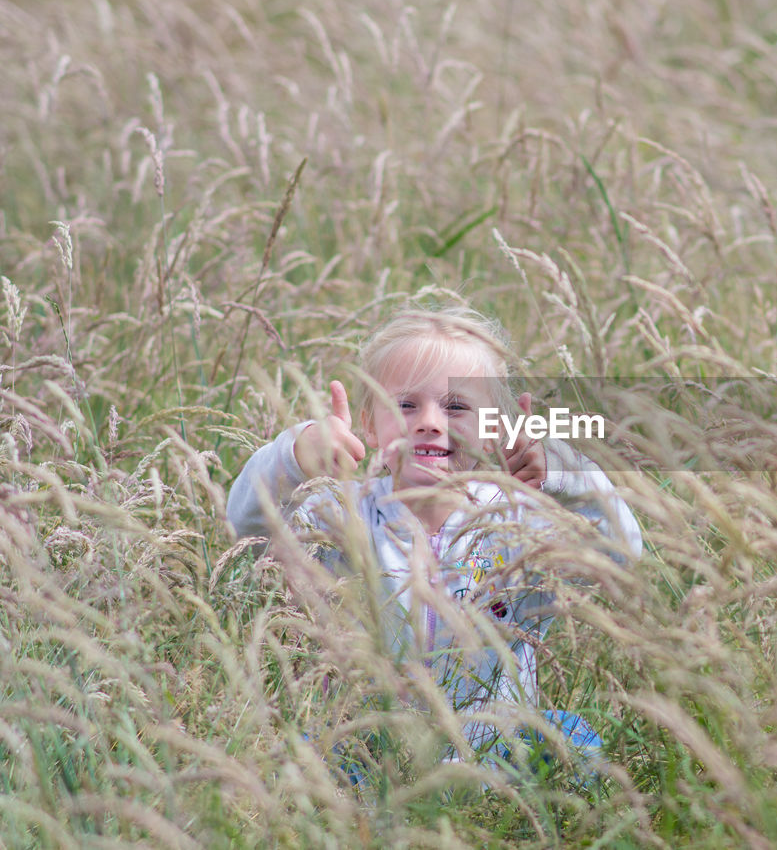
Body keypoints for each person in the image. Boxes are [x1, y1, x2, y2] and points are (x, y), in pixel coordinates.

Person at [226, 306, 642, 768]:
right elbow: (250, 526)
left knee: (571, 742)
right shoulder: (340, 515)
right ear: (369, 423)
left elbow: (619, 552)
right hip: (366, 750)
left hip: (494, 750)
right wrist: (294, 457)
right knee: (294, 758)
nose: (428, 421)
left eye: (456, 407)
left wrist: (564, 473)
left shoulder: (518, 522)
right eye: (405, 405)